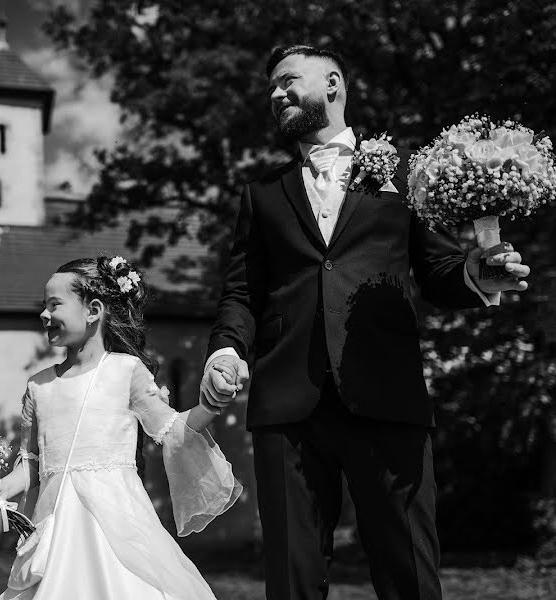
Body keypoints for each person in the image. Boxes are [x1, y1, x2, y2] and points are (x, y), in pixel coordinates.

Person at [199, 45, 531, 600]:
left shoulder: (406, 175)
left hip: (387, 392)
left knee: (410, 573)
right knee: (292, 579)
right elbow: (242, 292)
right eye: (271, 88)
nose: (275, 94)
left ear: (333, 85)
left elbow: (437, 269)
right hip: (287, 405)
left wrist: (477, 276)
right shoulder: (260, 195)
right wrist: (226, 350)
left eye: (287, 81)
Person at [0, 256, 242, 600]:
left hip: (117, 524)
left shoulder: (126, 371)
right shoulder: (38, 387)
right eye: (44, 306)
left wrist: (208, 406)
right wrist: (0, 490)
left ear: (93, 310)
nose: (44, 314)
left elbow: (172, 429)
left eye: (54, 304)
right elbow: (31, 463)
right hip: (56, 526)